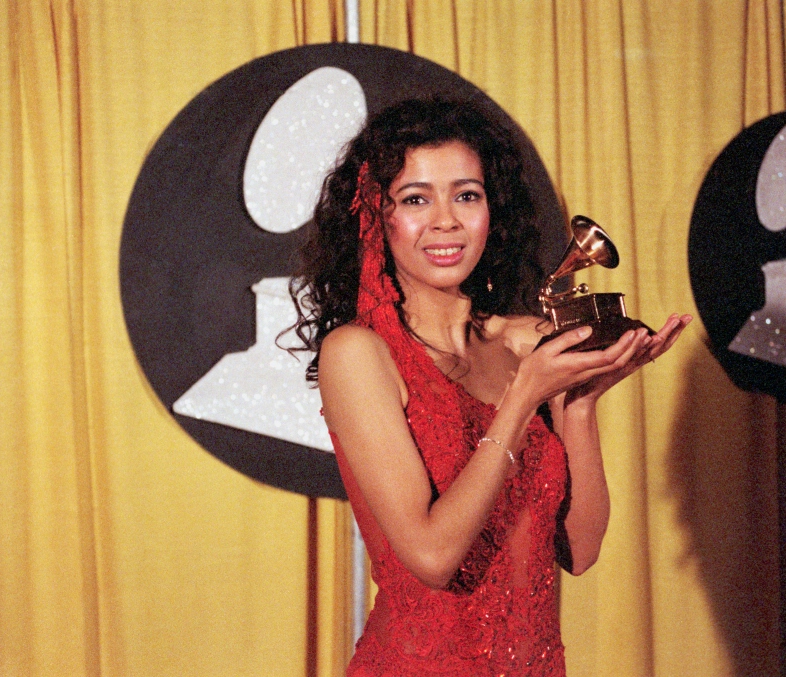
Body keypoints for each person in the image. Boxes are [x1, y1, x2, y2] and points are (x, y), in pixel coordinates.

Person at [291, 98, 690, 676]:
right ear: (378, 217)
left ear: (491, 209)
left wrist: (577, 404)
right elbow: (432, 556)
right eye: (416, 199)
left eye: (466, 195)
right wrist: (524, 397)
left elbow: (580, 551)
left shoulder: (515, 346)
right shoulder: (359, 353)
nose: (446, 220)